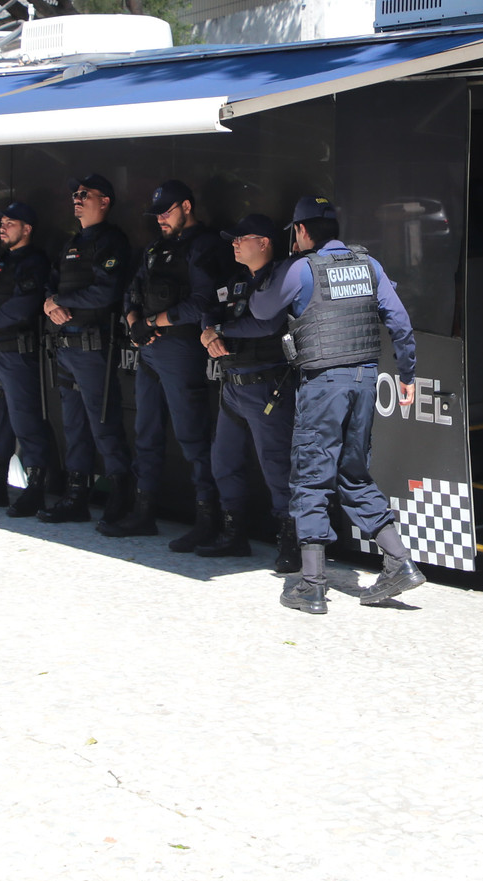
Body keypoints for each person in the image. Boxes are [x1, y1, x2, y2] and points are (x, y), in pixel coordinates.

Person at [249, 194, 421, 614]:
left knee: (311, 477)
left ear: (301, 230)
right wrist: (407, 375)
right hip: (365, 381)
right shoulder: (369, 265)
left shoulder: (301, 269)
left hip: (324, 383)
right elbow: (400, 322)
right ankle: (399, 561)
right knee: (353, 473)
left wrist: (258, 273)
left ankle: (311, 585)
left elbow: (261, 310)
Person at [102, 179, 229, 543]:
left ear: (187, 207)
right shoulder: (155, 248)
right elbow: (132, 290)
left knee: (192, 436)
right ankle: (144, 512)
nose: (160, 219)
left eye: (166, 212)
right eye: (156, 214)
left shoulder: (204, 245)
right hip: (149, 351)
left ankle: (208, 518)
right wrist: (133, 321)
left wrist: (154, 322)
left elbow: (203, 302)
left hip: (181, 350)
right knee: (146, 434)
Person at [199, 213, 299, 569]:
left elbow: (266, 325)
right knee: (224, 462)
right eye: (234, 239)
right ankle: (233, 534)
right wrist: (209, 331)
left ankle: (292, 542)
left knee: (277, 467)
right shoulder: (236, 280)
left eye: (242, 238)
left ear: (264, 243)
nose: (235, 244)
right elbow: (210, 309)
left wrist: (220, 330)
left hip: (267, 387)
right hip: (233, 387)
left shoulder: (281, 280)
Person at [42, 173, 133, 525]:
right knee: (75, 427)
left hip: (94, 348)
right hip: (66, 347)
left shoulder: (111, 241)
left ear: (104, 201)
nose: (77, 199)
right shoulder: (71, 243)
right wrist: (50, 302)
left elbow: (106, 292)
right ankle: (76, 496)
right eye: (75, 195)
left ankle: (121, 498)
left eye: (84, 194)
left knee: (103, 424)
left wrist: (60, 301)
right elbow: (51, 286)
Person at [0, 201, 59, 514]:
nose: (3, 228)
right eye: (1, 223)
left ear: (27, 229)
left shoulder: (34, 262)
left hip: (18, 355)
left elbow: (23, 306)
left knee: (25, 422)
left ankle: (35, 490)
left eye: (10, 223)